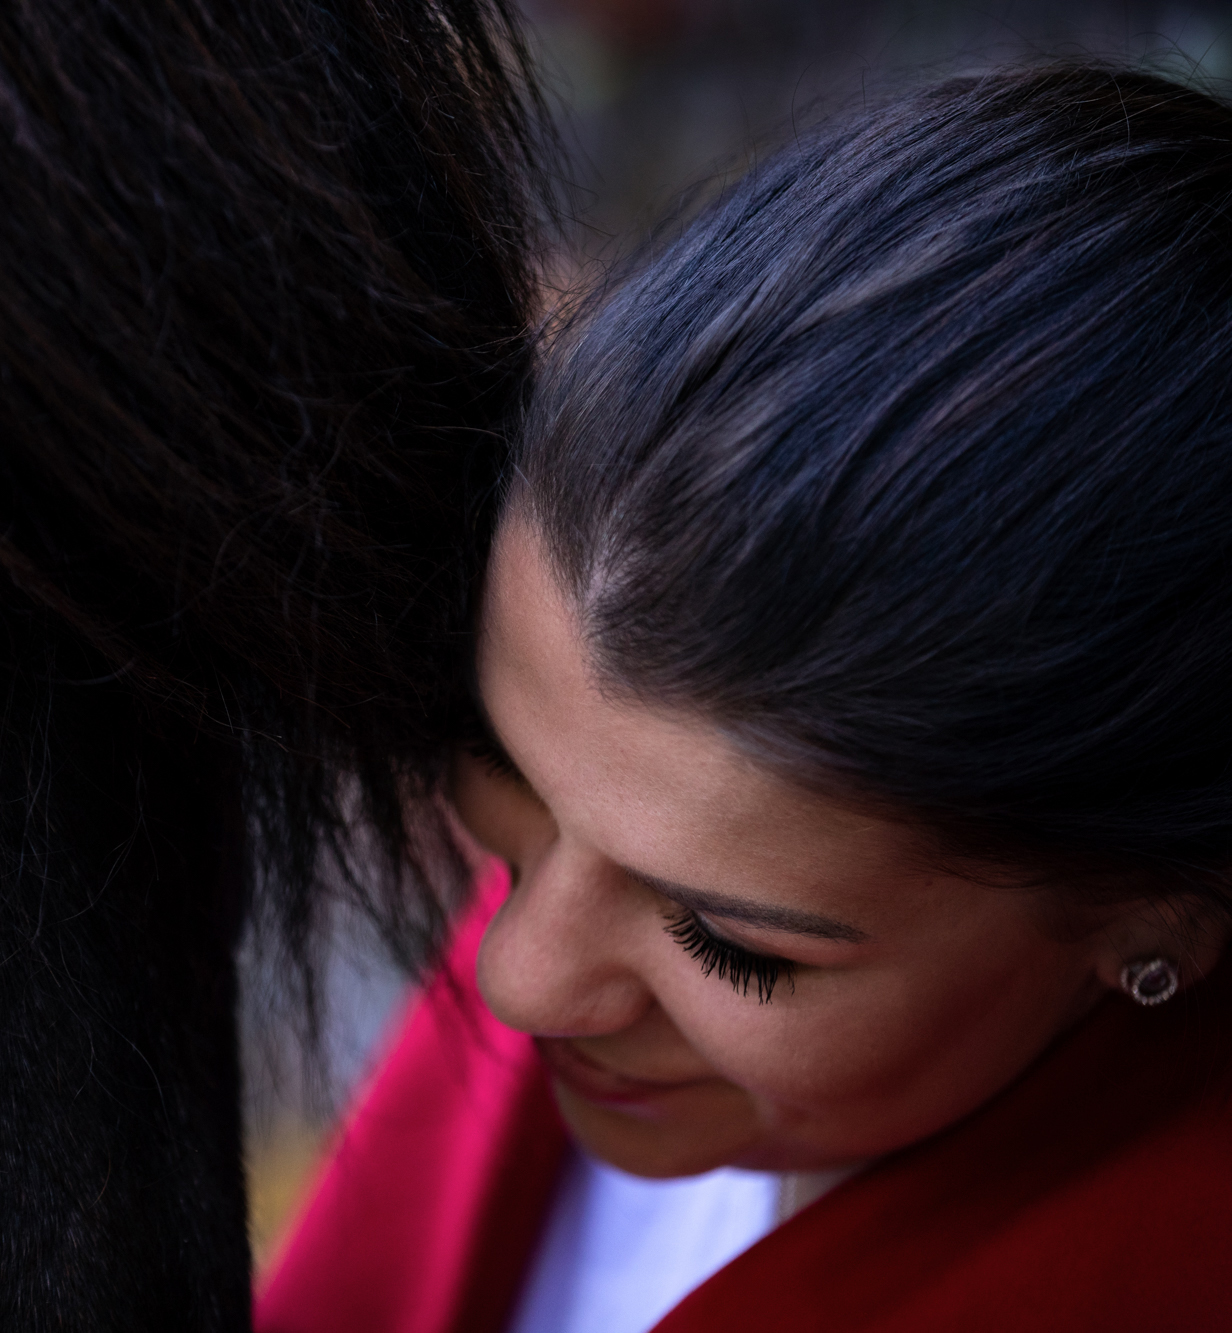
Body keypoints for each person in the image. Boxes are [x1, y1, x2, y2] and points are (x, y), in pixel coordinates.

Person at [257, 63, 1232, 1332]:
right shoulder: (615, 877)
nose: (518, 979)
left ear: (1160, 912)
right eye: (507, 777)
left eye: (729, 943)